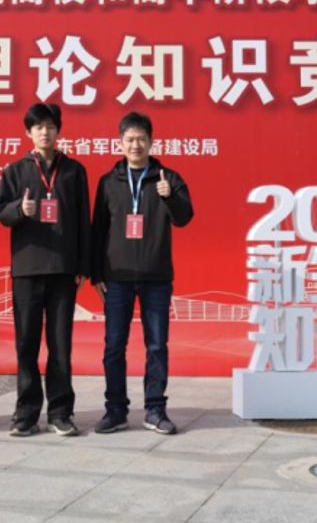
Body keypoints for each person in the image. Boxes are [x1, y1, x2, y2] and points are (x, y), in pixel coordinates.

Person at [0, 103, 90, 437]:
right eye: (38, 127)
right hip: (27, 268)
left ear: (58, 130)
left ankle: (61, 412)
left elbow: (83, 219)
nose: (44, 132)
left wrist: (82, 265)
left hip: (63, 270)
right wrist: (20, 209)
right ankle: (26, 413)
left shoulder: (74, 171)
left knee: (61, 345)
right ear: (28, 132)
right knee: (27, 344)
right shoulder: (15, 171)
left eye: (50, 126)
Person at [91, 111, 193, 436]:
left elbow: (184, 217)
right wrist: (95, 273)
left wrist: (169, 196)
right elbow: (98, 230)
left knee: (157, 346)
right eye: (130, 139)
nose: (136, 145)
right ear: (120, 142)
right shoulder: (109, 182)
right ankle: (115, 410)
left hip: (156, 277)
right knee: (113, 346)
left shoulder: (168, 178)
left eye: (141, 139)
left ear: (151, 142)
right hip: (117, 277)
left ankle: (155, 410)